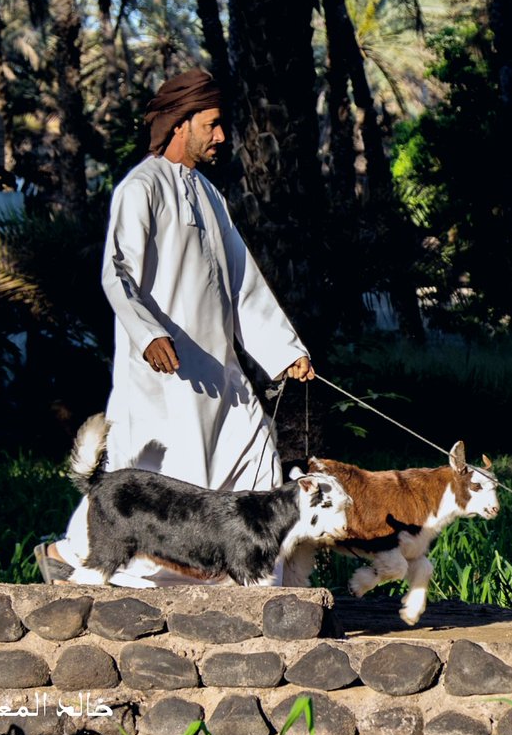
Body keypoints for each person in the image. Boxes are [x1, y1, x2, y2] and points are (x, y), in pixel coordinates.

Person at [36, 67, 314, 586]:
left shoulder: (211, 196)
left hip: (220, 372)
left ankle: (260, 587)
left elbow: (243, 284)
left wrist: (283, 351)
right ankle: (73, 557)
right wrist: (149, 333)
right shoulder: (140, 188)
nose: (222, 136)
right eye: (212, 124)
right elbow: (116, 272)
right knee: (149, 480)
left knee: (254, 452)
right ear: (180, 124)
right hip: (162, 375)